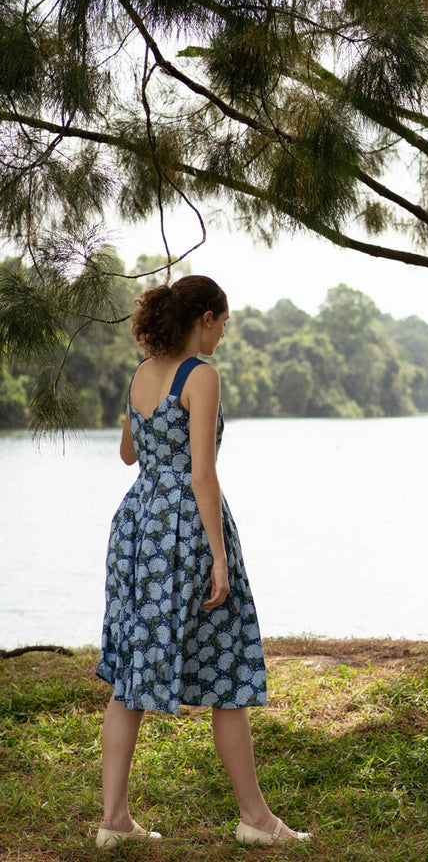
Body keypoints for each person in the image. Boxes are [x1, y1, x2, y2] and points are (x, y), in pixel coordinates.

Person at [94, 275, 310, 849]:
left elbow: (127, 452)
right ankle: (256, 820)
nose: (224, 334)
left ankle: (114, 822)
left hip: (138, 526)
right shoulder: (202, 375)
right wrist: (219, 557)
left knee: (130, 673)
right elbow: (203, 473)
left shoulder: (144, 372)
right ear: (206, 318)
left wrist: (156, 442)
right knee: (228, 666)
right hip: (187, 528)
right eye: (224, 323)